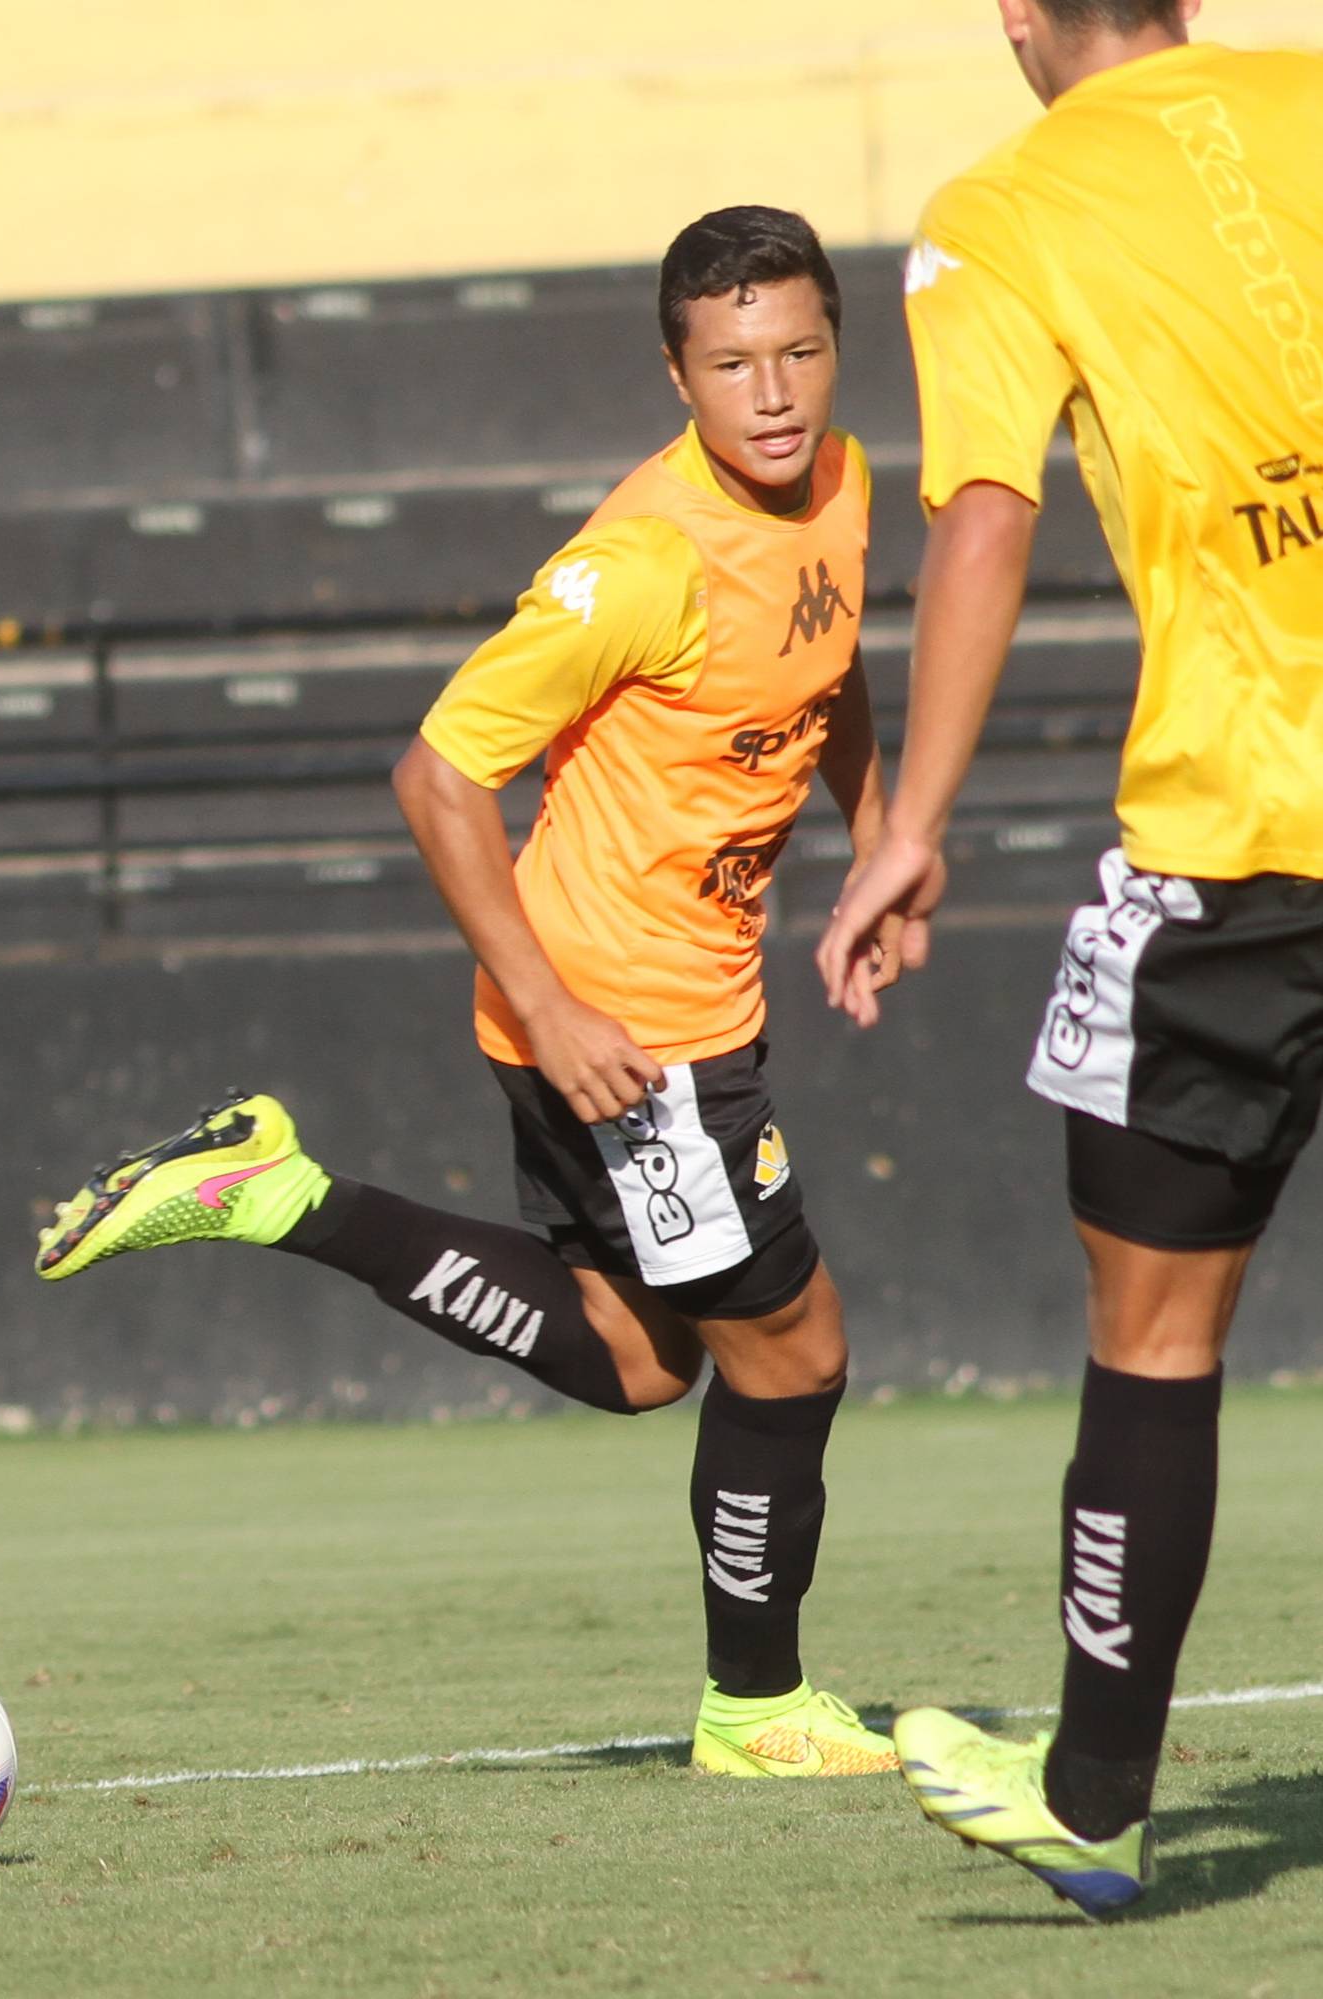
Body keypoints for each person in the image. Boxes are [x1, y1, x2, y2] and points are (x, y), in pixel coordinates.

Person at [37, 208, 912, 1779]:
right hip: (627, 1029)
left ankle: (282, 1193)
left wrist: (884, 839)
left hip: (663, 1004)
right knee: (795, 1352)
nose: (772, 392)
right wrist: (562, 1016)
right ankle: (758, 1713)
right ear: (676, 373)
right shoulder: (637, 565)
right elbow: (438, 777)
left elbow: (830, 663)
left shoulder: (842, 487)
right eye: (731, 364)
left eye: (798, 352)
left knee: (644, 1359)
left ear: (837, 349)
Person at [816, 0, 1322, 1919]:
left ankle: (1098, 1797)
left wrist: (909, 823)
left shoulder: (998, 212)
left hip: (1239, 853)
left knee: (1158, 1334)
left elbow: (983, 518)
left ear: (1019, 19)